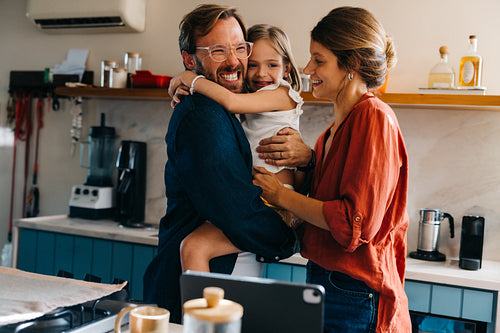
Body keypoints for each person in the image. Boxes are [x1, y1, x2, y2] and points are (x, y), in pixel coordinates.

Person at [253, 6, 412, 332]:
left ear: (351, 64)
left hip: (354, 291)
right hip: (330, 281)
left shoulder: (374, 117)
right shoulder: (333, 130)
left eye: (319, 59)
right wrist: (309, 162)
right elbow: (328, 195)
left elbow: (354, 224)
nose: (307, 67)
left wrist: (280, 194)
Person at [143, 4, 298, 324]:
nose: (234, 61)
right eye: (218, 50)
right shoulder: (204, 115)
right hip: (209, 284)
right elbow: (236, 211)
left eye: (240, 48)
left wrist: (305, 158)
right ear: (190, 59)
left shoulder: (231, 109)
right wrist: (288, 238)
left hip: (224, 278)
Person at [168, 23, 304, 272]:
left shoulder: (283, 94)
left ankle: (200, 312)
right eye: (253, 64)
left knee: (194, 247)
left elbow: (229, 101)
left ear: (287, 68)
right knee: (195, 246)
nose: (261, 73)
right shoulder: (251, 102)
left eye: (272, 65)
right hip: (260, 204)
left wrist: (189, 78)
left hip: (276, 207)